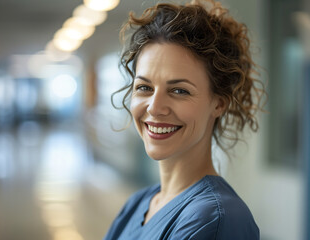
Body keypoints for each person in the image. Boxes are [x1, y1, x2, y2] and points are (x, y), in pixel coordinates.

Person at [104, 0, 265, 239]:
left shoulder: (215, 219)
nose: (155, 108)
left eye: (180, 90)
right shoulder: (139, 204)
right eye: (145, 87)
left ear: (219, 103)